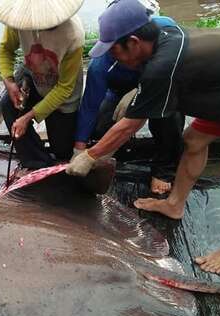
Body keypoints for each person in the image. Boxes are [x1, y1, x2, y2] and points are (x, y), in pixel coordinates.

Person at [67, 0, 220, 274]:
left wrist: (90, 154)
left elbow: (129, 126)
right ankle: (174, 204)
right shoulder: (161, 34)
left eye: (114, 50)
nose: (112, 58)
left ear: (134, 42)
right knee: (193, 139)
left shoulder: (161, 65)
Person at [75, 13, 184, 194]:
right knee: (100, 124)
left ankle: (164, 170)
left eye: (114, 50)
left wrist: (137, 96)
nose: (111, 54)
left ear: (134, 43)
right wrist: (79, 149)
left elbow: (134, 121)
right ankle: (112, 154)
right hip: (120, 91)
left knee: (168, 115)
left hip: (162, 86)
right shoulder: (101, 65)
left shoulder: (164, 32)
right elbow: (89, 106)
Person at [0, 0, 85, 169]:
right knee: (8, 105)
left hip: (63, 96)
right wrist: (9, 82)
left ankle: (56, 155)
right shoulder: (19, 20)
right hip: (36, 79)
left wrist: (27, 118)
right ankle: (37, 163)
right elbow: (6, 50)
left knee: (62, 151)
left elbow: (64, 88)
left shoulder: (73, 35)